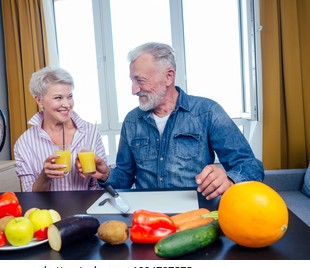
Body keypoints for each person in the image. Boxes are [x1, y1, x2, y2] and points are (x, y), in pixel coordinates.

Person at [77, 42, 264, 200]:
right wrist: (106, 174)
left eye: (140, 80)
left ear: (168, 76)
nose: (133, 90)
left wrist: (229, 179)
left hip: (195, 213)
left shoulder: (207, 111)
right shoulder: (132, 120)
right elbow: (125, 178)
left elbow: (251, 166)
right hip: (145, 215)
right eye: (132, 81)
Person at [14, 67, 107, 192]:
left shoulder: (91, 132)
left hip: (87, 209)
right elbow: (29, 194)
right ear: (39, 100)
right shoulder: (24, 143)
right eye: (58, 98)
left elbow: (101, 186)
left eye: (69, 96)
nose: (67, 104)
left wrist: (103, 174)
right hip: (47, 211)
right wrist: (45, 177)